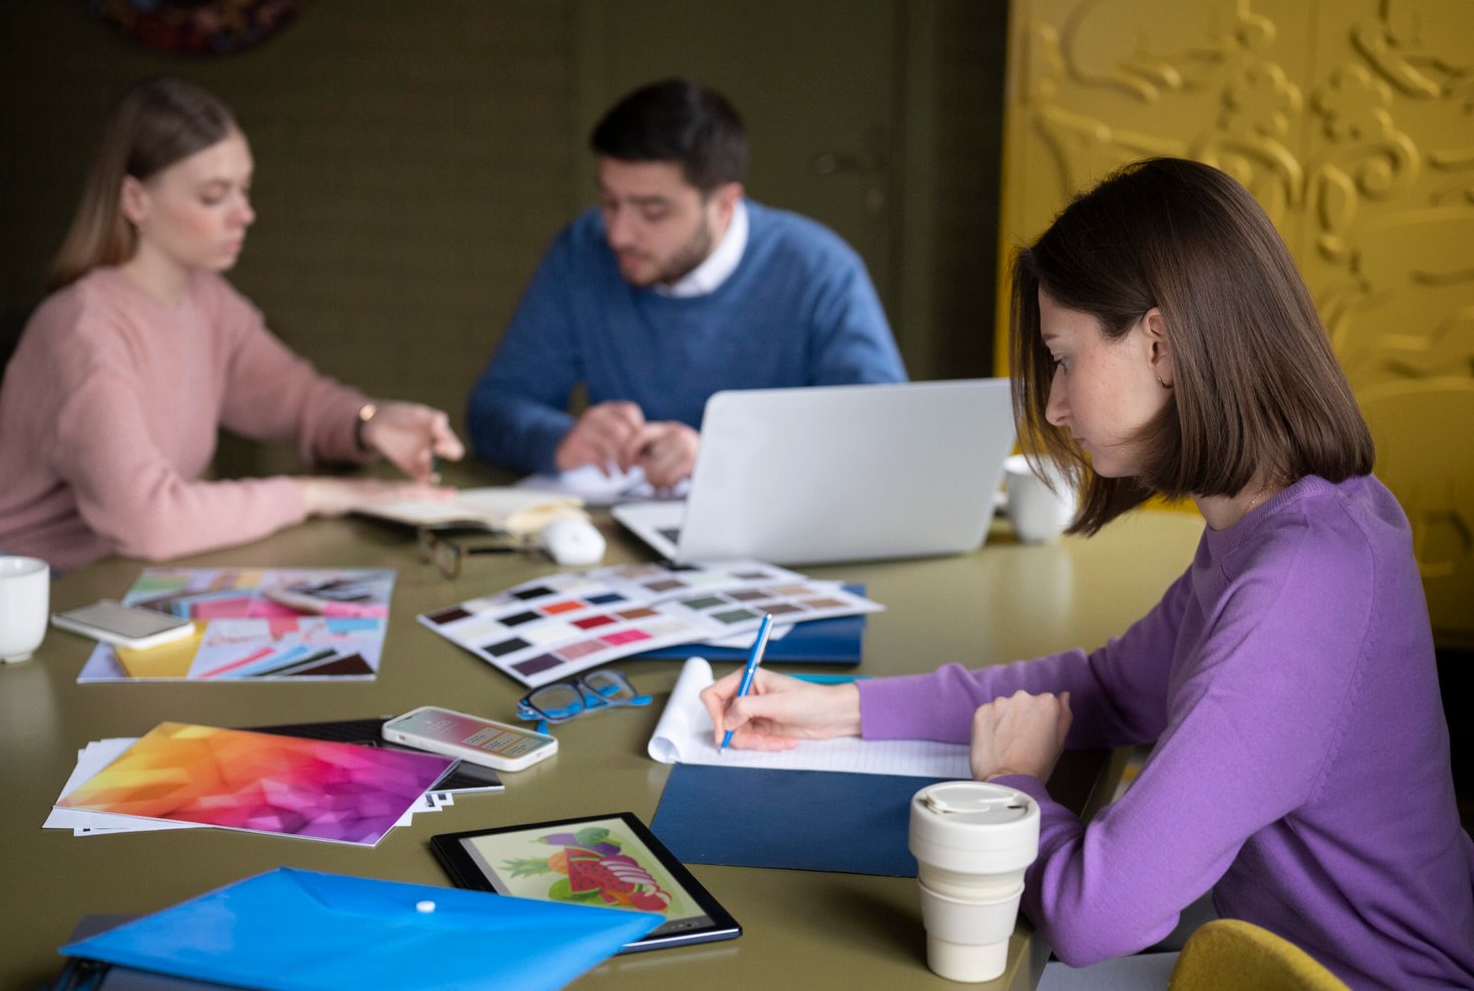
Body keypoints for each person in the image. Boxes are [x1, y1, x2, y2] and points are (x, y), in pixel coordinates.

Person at [701, 158, 1474, 989]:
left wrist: (1012, 787)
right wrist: (839, 710)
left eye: (1064, 358)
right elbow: (1108, 688)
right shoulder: (1290, 523)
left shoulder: (1301, 583)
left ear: (1161, 344)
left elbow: (1093, 917)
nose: (1057, 406)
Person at [0, 78, 463, 636]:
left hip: (111, 580)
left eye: (245, 190)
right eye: (214, 196)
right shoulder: (83, 329)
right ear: (136, 200)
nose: (244, 214)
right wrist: (318, 494)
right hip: (6, 601)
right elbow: (151, 520)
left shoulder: (207, 300)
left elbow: (295, 397)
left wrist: (371, 422)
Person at [466, 78, 906, 489]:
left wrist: (723, 457)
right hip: (621, 542)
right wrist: (559, 439)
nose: (618, 233)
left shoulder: (820, 270)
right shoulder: (582, 252)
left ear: (725, 205)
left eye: (653, 211)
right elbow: (495, 406)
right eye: (609, 201)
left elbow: (881, 434)